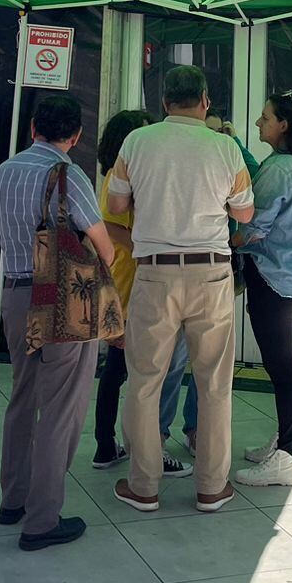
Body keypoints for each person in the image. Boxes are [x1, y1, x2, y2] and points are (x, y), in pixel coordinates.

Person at [107, 65, 253, 514]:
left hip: (154, 273)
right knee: (213, 383)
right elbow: (244, 215)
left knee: (145, 381)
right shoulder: (226, 147)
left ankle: (143, 486)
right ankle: (212, 487)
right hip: (211, 275)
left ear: (164, 101)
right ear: (205, 101)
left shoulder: (136, 142)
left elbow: (115, 205)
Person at [0, 94, 116, 551]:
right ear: (76, 136)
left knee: (22, 398)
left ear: (32, 128)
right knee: (61, 408)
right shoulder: (69, 174)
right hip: (63, 297)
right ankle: (42, 520)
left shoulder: (5, 171)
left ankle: (13, 500)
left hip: (17, 292)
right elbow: (104, 247)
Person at [91, 110, 194, 478]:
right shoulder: (116, 180)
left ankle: (107, 445)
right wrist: (142, 245)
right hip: (129, 282)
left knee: (120, 368)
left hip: (132, 279)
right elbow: (106, 224)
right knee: (140, 371)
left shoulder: (129, 174)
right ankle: (144, 449)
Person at [233, 92, 292, 487]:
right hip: (286, 277)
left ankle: (287, 454)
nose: (258, 123)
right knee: (285, 362)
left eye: (264, 117)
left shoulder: (282, 168)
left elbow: (253, 225)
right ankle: (286, 442)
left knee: (281, 364)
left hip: (272, 277)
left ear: (283, 124)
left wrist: (231, 236)